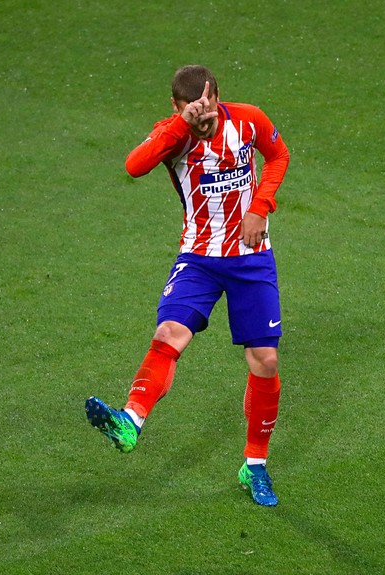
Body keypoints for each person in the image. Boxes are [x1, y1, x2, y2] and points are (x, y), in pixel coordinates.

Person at [85, 65, 290, 506]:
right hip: (198, 258)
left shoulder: (249, 119)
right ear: (176, 106)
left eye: (210, 105)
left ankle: (254, 464)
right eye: (193, 109)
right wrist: (182, 124)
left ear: (218, 96)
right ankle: (130, 422)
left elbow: (279, 156)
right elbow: (133, 165)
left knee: (265, 359)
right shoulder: (172, 134)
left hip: (250, 258)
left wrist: (261, 206)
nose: (205, 115)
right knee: (168, 334)